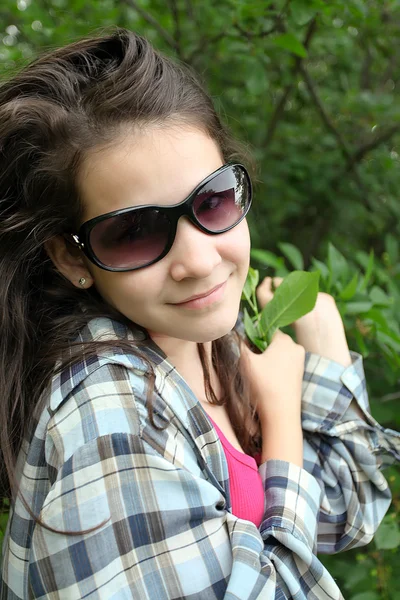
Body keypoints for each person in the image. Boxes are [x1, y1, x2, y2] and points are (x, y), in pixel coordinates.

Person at [0, 28, 399, 600]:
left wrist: (329, 357)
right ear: (71, 258)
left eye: (212, 201)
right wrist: (284, 414)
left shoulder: (213, 342)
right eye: (133, 233)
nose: (198, 259)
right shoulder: (110, 419)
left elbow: (344, 510)